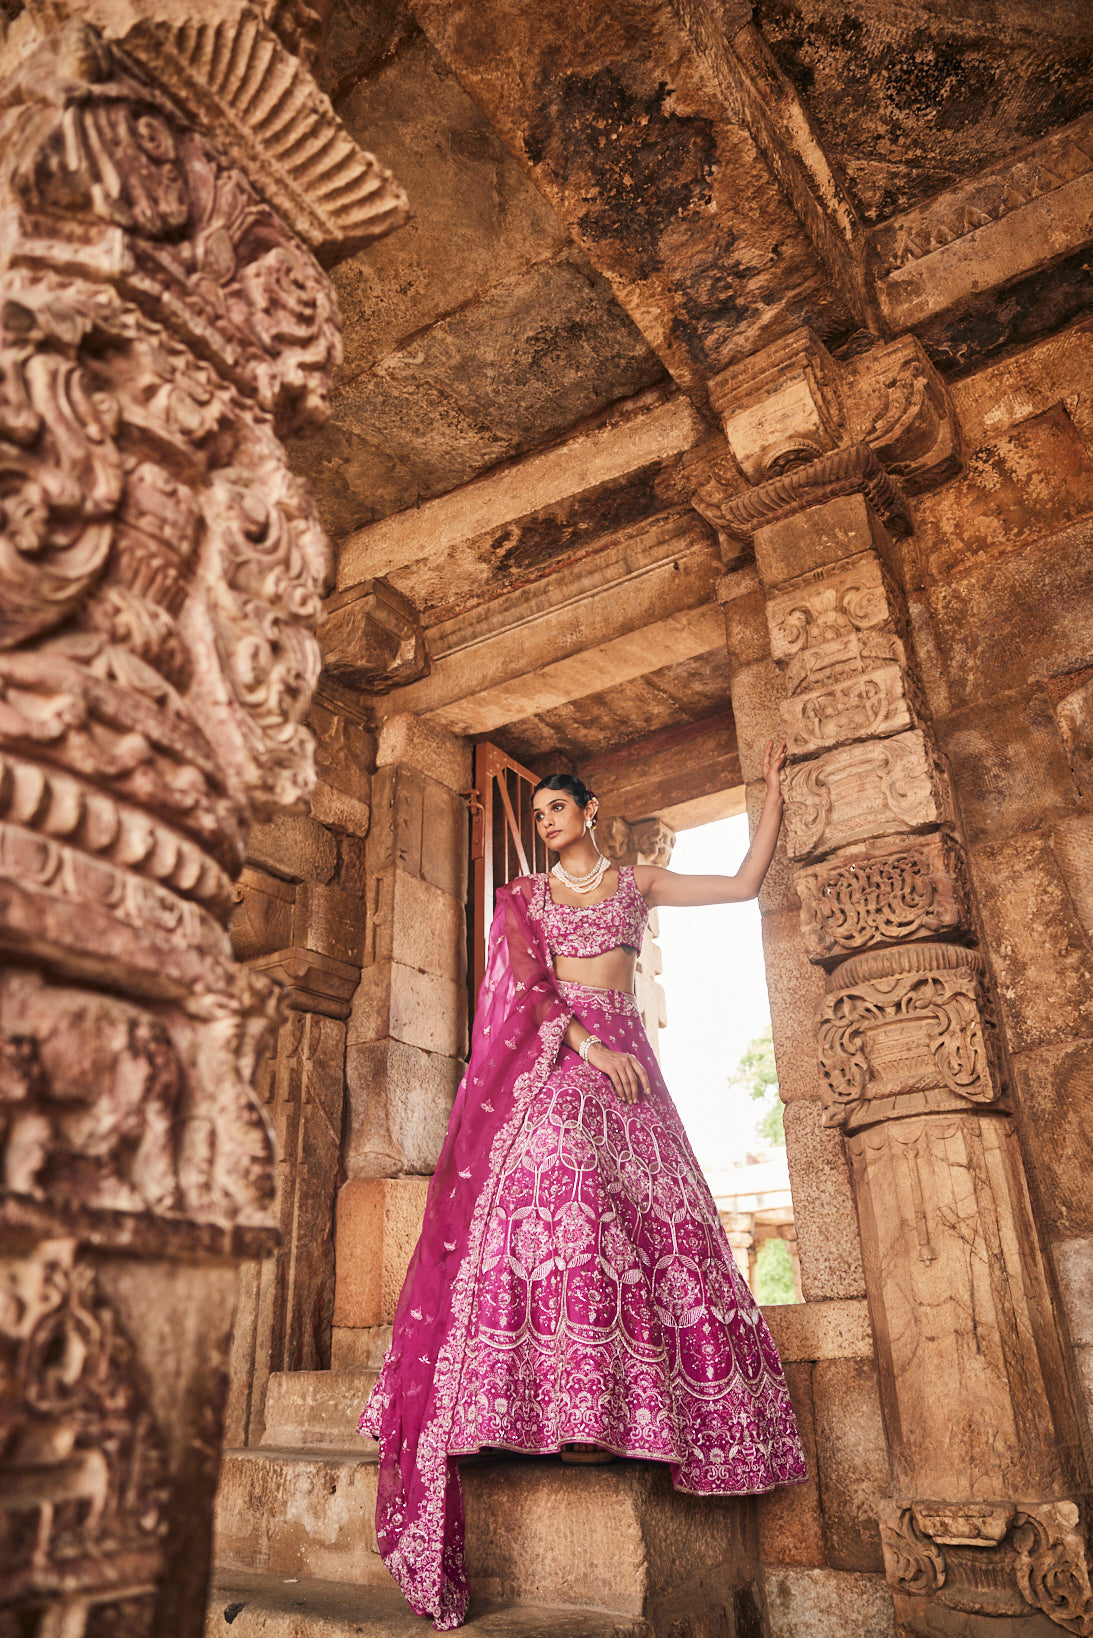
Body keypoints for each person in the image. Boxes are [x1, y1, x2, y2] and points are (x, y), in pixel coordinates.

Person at [360, 740, 806, 1630]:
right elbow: (527, 993)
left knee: (653, 1217)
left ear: (589, 810)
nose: (545, 822)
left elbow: (743, 885)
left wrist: (771, 792)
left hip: (632, 1063)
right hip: (562, 1062)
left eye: (556, 810)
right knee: (559, 1193)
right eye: (536, 816)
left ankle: (612, 1413)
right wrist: (589, 1046)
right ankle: (521, 1402)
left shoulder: (634, 886)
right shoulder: (523, 899)